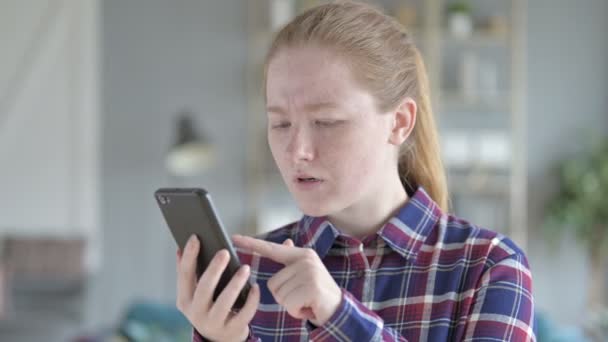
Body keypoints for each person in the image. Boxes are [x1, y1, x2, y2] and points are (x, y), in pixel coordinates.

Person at [176, 2, 535, 341]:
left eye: (326, 122)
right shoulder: (248, 275)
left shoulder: (489, 266)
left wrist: (339, 314)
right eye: (281, 123)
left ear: (399, 122)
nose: (297, 151)